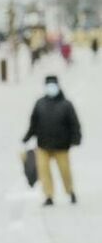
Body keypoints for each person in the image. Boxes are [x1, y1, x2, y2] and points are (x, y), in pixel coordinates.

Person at [23, 74, 82, 206]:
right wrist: (27, 137)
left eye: (52, 85)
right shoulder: (39, 104)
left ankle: (70, 191)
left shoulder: (66, 104)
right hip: (43, 145)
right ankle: (48, 195)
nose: (51, 88)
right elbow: (34, 123)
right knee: (44, 172)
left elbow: (74, 123)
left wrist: (76, 139)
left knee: (65, 171)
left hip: (62, 145)